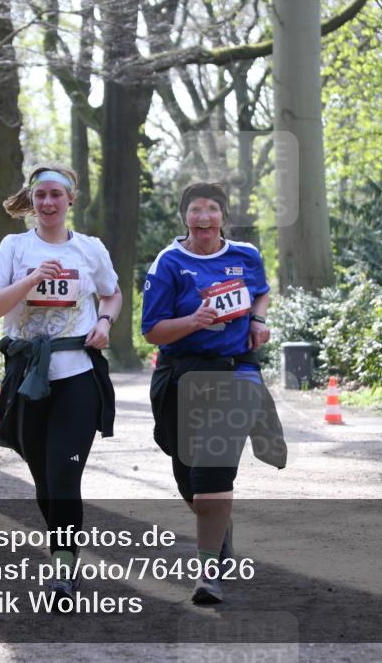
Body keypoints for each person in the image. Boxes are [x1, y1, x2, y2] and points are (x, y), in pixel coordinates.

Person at [0, 162, 121, 608]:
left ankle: (63, 566)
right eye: (40, 196)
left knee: (63, 474)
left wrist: (103, 319)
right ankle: (61, 546)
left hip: (77, 375)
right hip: (27, 378)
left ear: (70, 199)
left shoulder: (89, 249)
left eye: (57, 195)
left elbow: (111, 292)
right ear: (32, 200)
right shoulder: (14, 247)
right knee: (43, 478)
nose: (48, 203)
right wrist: (31, 279)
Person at [142, 181, 285, 605]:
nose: (204, 218)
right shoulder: (169, 263)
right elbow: (152, 331)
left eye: (212, 210)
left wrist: (258, 322)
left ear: (223, 215)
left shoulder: (246, 256)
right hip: (181, 375)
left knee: (211, 471)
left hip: (235, 372)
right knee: (188, 476)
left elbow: (260, 293)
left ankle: (208, 573)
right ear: (184, 217)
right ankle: (219, 530)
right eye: (195, 210)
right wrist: (194, 321)